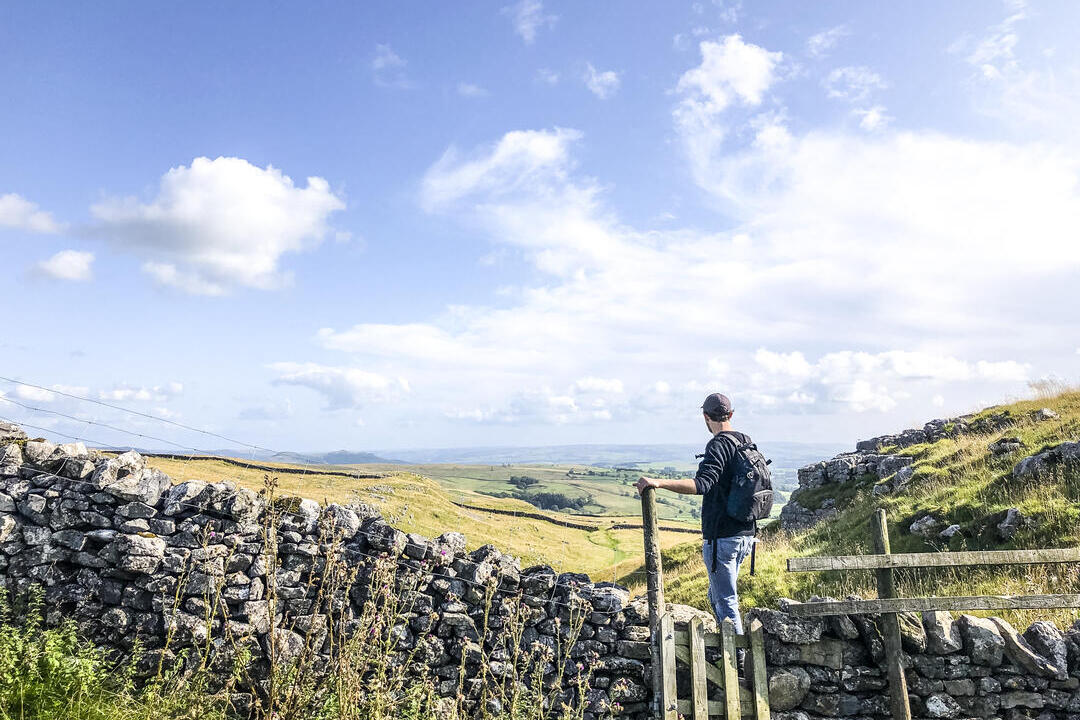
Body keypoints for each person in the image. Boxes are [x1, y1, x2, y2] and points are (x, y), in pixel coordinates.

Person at [634, 393, 756, 633]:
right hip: (746, 535)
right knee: (717, 595)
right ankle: (730, 648)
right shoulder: (745, 440)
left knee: (726, 600)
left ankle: (737, 663)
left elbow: (702, 484)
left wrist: (658, 483)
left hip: (722, 536)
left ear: (705, 417)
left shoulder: (719, 445)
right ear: (731, 414)